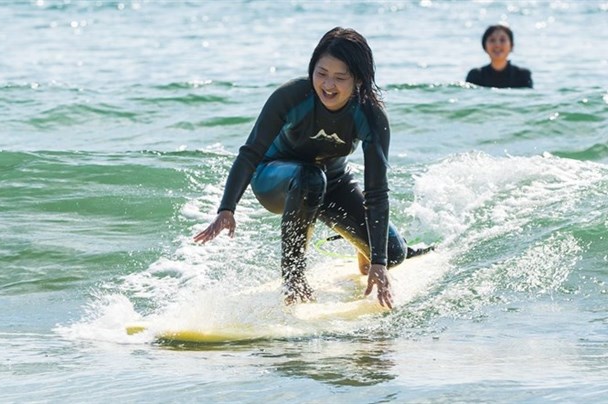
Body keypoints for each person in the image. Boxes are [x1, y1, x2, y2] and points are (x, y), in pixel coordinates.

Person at [192, 27, 430, 309]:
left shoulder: (370, 115)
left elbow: (377, 190)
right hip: (274, 177)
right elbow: (250, 153)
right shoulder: (292, 96)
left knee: (392, 254)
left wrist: (378, 262)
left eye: (340, 77)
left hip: (333, 182)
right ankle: (293, 279)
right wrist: (226, 208)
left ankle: (363, 252)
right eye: (321, 73)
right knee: (310, 178)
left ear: (359, 80)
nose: (328, 85)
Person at [465, 24, 533, 89]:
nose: (497, 45)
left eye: (502, 40)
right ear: (484, 46)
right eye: (492, 40)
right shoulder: (475, 75)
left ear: (511, 45)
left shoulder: (522, 75)